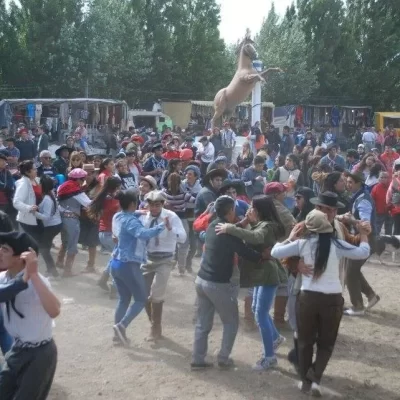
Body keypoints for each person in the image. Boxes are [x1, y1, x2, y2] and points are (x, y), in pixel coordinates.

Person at [271, 210, 370, 396]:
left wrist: (291, 237)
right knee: (326, 344)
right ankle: (315, 379)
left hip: (307, 299)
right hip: (332, 299)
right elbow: (363, 252)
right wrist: (363, 234)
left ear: (309, 228)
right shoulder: (337, 244)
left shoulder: (302, 244)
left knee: (305, 342)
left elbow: (275, 252)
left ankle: (305, 382)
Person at [191, 196, 266, 371]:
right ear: (231, 211)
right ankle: (224, 358)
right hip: (217, 284)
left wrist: (244, 222)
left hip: (201, 281)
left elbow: (231, 232)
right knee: (231, 322)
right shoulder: (228, 233)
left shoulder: (212, 225)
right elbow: (246, 251)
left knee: (203, 323)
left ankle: (197, 359)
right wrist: (264, 256)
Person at [215, 195, 287, 370]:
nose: (249, 210)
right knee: (257, 309)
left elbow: (256, 237)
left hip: (268, 275)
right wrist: (249, 222)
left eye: (252, 207)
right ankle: (276, 338)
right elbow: (257, 234)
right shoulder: (262, 224)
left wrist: (230, 228)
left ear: (260, 210)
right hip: (262, 274)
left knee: (260, 314)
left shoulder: (268, 225)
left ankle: (269, 357)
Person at [0, 231, 61, 399]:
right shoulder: (3, 279)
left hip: (40, 353)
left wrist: (33, 275)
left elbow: (55, 310)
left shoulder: (38, 282)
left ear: (22, 257)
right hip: (17, 349)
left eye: (5, 249)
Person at [110, 190, 165, 346]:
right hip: (129, 265)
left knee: (123, 299)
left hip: (116, 263)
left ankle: (117, 337)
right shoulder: (131, 221)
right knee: (141, 299)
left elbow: (130, 216)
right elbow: (143, 234)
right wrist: (162, 226)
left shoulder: (118, 216)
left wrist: (141, 211)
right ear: (133, 204)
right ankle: (122, 326)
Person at [140, 190, 187, 341]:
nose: (154, 208)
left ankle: (156, 328)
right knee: (143, 294)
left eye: (157, 204)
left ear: (162, 204)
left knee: (156, 292)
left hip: (165, 259)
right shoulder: (143, 217)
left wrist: (170, 229)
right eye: (151, 204)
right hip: (147, 259)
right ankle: (153, 322)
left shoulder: (171, 217)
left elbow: (182, 238)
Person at [342, 172, 379, 315]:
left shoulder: (363, 200)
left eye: (351, 182)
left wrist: (350, 220)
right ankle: (371, 296)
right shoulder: (358, 197)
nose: (348, 184)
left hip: (366, 240)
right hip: (362, 239)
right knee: (352, 270)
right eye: (347, 182)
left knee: (350, 272)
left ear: (359, 183)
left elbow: (365, 224)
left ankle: (358, 306)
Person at [56, 168, 91, 277]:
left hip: (61, 217)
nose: (83, 181)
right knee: (72, 245)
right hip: (72, 219)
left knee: (65, 241)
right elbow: (88, 203)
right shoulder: (75, 190)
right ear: (78, 180)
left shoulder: (62, 186)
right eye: (82, 179)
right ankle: (67, 271)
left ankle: (59, 261)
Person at [161, 173, 195, 275]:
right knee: (183, 245)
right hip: (182, 220)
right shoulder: (184, 194)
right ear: (180, 182)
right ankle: (181, 269)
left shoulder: (164, 194)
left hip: (169, 220)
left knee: (169, 243)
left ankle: (168, 266)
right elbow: (194, 201)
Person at [37, 176, 62, 278]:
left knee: (44, 250)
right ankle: (51, 271)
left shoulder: (47, 198)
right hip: (54, 225)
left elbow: (46, 217)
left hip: (52, 226)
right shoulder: (49, 195)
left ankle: (53, 273)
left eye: (39, 183)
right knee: (44, 249)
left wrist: (34, 212)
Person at [13, 160, 42, 240]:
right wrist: (29, 208)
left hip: (38, 217)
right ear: (27, 172)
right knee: (28, 246)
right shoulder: (23, 184)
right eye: (34, 169)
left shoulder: (37, 179)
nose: (36, 170)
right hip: (27, 221)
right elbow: (16, 202)